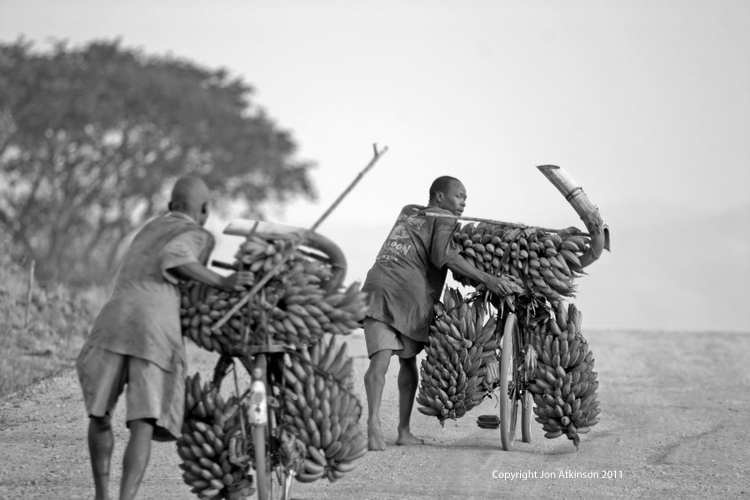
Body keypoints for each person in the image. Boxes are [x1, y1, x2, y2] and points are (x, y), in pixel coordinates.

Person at [75, 176, 254, 500]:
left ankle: (102, 495)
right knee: (141, 423)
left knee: (99, 413)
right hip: (153, 328)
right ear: (203, 210)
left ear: (171, 206)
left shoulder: (147, 229)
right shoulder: (197, 233)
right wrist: (223, 282)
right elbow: (175, 256)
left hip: (113, 319)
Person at [363, 175, 523, 451]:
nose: (462, 202)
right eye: (458, 196)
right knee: (406, 359)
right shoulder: (446, 219)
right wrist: (488, 279)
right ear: (439, 196)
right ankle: (401, 430)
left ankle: (376, 423)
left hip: (377, 285)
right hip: (409, 294)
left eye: (464, 199)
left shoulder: (408, 210)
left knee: (384, 360)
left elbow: (422, 226)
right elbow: (443, 257)